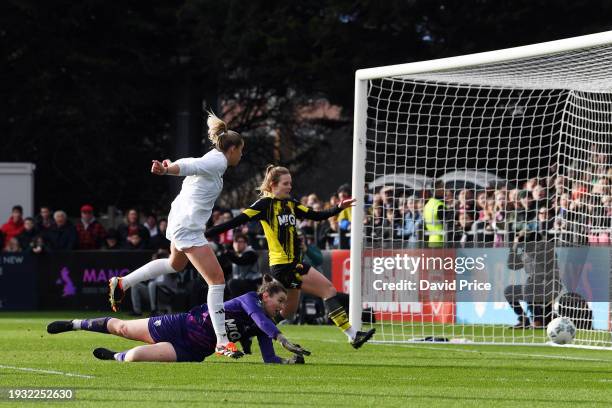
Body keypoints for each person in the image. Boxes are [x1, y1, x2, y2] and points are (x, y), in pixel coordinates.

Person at [108, 112, 245, 358]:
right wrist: (168, 170)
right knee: (217, 281)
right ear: (232, 149)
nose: (241, 155)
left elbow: (191, 161)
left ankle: (124, 282)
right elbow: (189, 165)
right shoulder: (218, 162)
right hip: (188, 227)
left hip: (180, 221)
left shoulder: (212, 159)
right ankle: (222, 341)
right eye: (241, 150)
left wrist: (170, 166)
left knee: (175, 264)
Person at [205, 165, 375, 349]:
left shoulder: (291, 203)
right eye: (286, 183)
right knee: (328, 290)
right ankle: (352, 335)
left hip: (292, 264)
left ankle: (247, 334)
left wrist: (337, 208)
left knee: (288, 311)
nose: (289, 187)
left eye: (290, 183)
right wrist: (207, 233)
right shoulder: (264, 205)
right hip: (284, 266)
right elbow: (235, 222)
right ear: (273, 184)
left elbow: (315, 215)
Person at [47, 277, 308, 364]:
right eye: (280, 301)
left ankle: (115, 356)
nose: (282, 307)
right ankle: (75, 324)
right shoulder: (250, 299)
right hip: (183, 324)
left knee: (135, 357)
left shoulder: (264, 326)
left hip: (193, 349)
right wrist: (282, 337)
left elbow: (269, 359)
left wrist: (289, 360)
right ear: (265, 296)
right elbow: (259, 320)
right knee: (123, 327)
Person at [504, 231, 561, 328]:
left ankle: (537, 319)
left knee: (530, 286)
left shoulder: (547, 249)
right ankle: (523, 319)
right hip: (533, 286)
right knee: (509, 291)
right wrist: (514, 247)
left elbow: (539, 256)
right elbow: (512, 265)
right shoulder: (523, 251)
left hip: (550, 285)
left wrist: (528, 242)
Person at [225, 233, 261, 299]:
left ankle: (239, 303)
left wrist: (227, 253)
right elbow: (228, 269)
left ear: (246, 243)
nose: (237, 244)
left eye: (240, 242)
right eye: (235, 242)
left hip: (253, 284)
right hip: (242, 283)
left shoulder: (251, 253)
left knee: (232, 283)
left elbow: (241, 261)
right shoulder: (238, 255)